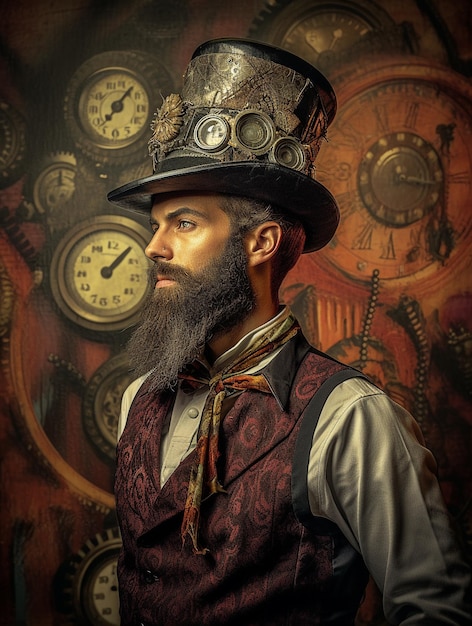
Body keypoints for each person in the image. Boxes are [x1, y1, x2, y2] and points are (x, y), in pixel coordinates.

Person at [107, 38, 471, 625]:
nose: (155, 247)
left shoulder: (350, 418)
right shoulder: (137, 400)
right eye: (155, 225)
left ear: (261, 243)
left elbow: (439, 612)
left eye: (185, 222)